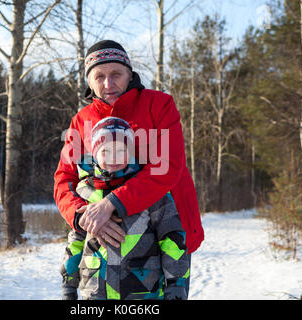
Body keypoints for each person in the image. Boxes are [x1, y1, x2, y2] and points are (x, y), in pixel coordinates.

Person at [54, 39, 204, 296]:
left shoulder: (159, 106)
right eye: (99, 76)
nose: (108, 84)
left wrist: (109, 204)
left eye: (116, 74)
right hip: (102, 246)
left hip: (166, 233)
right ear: (88, 81)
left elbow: (166, 166)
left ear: (130, 73)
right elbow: (65, 180)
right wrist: (83, 216)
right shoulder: (80, 122)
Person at [60, 117, 189, 300]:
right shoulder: (85, 192)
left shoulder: (150, 191)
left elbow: (172, 238)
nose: (114, 157)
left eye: (121, 150)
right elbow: (76, 241)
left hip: (143, 291)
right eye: (106, 151)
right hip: (96, 291)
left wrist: (176, 283)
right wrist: (69, 283)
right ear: (95, 153)